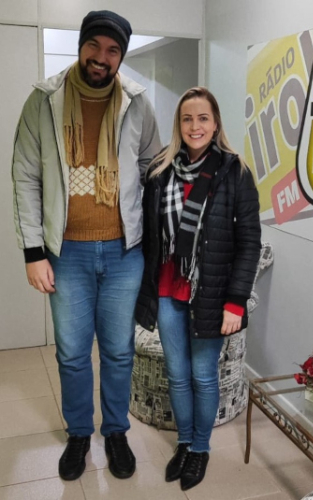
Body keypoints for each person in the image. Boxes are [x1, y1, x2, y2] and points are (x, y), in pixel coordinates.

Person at [11, 10, 160, 481]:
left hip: (124, 252)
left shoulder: (137, 102)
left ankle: (115, 431)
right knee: (73, 353)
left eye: (113, 50)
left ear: (121, 56)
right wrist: (33, 252)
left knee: (118, 351)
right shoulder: (44, 100)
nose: (101, 57)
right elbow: (25, 176)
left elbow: (153, 168)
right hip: (66, 253)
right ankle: (79, 433)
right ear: (81, 46)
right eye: (94, 45)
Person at [135, 87, 261, 491]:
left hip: (210, 293)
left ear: (216, 122)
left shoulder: (235, 172)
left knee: (203, 376)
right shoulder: (161, 171)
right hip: (168, 289)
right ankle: (185, 443)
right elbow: (151, 236)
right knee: (176, 374)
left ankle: (201, 448)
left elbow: (249, 243)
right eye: (187, 118)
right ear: (179, 124)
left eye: (203, 118)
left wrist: (236, 302)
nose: (195, 126)